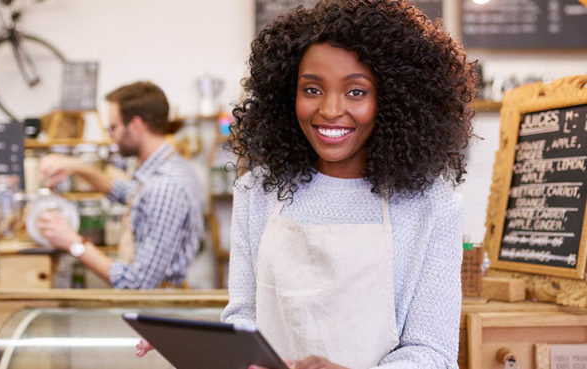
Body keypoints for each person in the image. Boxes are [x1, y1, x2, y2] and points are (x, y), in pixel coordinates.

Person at [138, 0, 476, 366]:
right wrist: (213, 349)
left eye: (356, 92)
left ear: (394, 100)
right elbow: (244, 316)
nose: (330, 110)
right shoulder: (258, 191)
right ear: (286, 95)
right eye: (312, 89)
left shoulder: (431, 205)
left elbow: (433, 353)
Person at [37, 81, 204, 289]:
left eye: (113, 127)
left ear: (136, 125)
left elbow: (137, 284)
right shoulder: (163, 170)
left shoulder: (165, 186)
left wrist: (73, 242)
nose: (111, 135)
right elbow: (126, 193)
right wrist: (77, 167)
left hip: (156, 310)